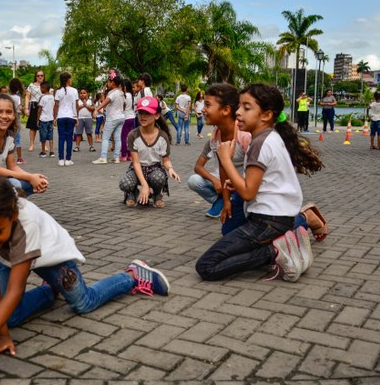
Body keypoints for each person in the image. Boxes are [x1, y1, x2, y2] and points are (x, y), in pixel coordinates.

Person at [0, 173, 170, 376]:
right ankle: (50, 289)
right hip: (11, 258)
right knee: (10, 318)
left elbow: (16, 289)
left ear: (13, 214)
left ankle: (132, 275)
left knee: (84, 303)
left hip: (50, 254)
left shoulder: (26, 222)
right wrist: (2, 336)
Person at [195, 84, 323, 283]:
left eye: (247, 108)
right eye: (240, 106)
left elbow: (248, 193)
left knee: (207, 266)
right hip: (275, 217)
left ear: (266, 115)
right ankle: (284, 238)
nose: (238, 112)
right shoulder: (269, 137)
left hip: (268, 221)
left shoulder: (259, 143)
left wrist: (226, 160)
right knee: (229, 236)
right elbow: (257, 184)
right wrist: (234, 184)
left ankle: (275, 251)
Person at [187, 84, 251, 220]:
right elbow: (222, 169)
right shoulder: (216, 136)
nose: (203, 110)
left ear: (226, 110)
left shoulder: (245, 136)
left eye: (208, 105)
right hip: (231, 187)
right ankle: (223, 202)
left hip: (250, 188)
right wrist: (227, 201)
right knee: (227, 230)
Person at [119, 96, 180, 208]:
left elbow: (165, 160)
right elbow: (136, 162)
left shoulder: (162, 136)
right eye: (140, 112)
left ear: (156, 115)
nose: (143, 116)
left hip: (154, 169)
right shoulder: (133, 135)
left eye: (147, 113)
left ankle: (157, 194)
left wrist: (170, 169)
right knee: (125, 183)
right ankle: (132, 193)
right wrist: (144, 185)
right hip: (137, 169)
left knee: (159, 178)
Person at [92, 71, 125, 164]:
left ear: (113, 83)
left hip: (112, 118)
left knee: (105, 137)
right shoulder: (121, 93)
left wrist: (96, 109)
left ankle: (103, 157)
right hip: (121, 117)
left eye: (108, 82)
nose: (107, 84)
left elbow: (106, 101)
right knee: (117, 138)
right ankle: (116, 157)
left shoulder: (112, 93)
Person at [53, 72, 79, 166]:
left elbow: (56, 105)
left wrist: (54, 117)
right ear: (68, 79)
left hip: (60, 116)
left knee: (61, 138)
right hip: (71, 116)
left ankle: (60, 159)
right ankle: (68, 159)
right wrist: (76, 117)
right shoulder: (74, 91)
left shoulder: (58, 91)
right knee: (69, 138)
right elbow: (75, 105)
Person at [24, 71, 45, 152]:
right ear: (35, 77)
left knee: (44, 126)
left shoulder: (46, 85)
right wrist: (26, 108)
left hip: (44, 107)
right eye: (38, 75)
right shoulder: (31, 85)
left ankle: (44, 145)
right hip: (34, 106)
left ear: (44, 76)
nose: (40, 77)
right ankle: (31, 144)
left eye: (41, 75)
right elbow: (27, 97)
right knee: (33, 127)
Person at [8, 78, 26, 164]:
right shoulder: (17, 97)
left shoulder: (7, 97)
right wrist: (23, 112)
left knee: (9, 137)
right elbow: (20, 107)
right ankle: (19, 158)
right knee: (17, 138)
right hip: (16, 119)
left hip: (8, 119)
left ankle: (8, 156)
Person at [119, 79, 136, 162]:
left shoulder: (124, 96)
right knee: (130, 137)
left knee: (123, 137)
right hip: (132, 117)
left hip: (125, 118)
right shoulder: (132, 95)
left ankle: (123, 155)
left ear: (124, 87)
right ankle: (130, 155)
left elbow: (122, 107)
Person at [73, 88, 95, 153]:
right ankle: (77, 146)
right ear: (79, 94)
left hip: (88, 118)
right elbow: (76, 108)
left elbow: (93, 108)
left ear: (87, 94)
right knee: (78, 133)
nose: (82, 94)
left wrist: (86, 105)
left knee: (89, 133)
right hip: (79, 118)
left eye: (84, 93)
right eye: (81, 93)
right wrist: (83, 105)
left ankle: (91, 146)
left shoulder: (90, 101)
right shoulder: (78, 101)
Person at [37, 81, 55, 158]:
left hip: (43, 120)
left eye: (41, 88)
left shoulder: (43, 98)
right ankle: (51, 151)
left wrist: (38, 119)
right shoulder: (52, 97)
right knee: (50, 136)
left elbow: (39, 110)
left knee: (43, 136)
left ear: (43, 88)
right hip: (50, 119)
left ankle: (43, 151)